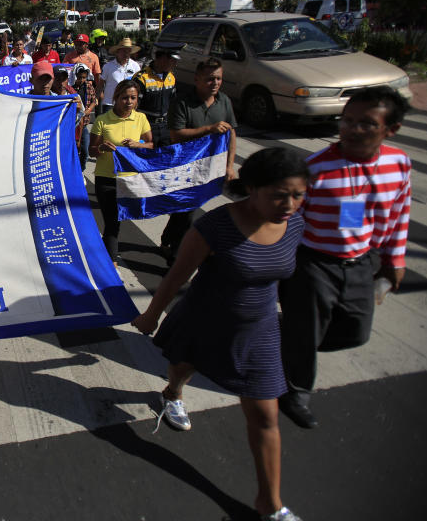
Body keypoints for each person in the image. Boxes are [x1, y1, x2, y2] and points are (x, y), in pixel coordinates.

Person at [131, 147, 310, 521]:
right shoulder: (214, 226)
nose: (289, 204)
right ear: (253, 188)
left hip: (258, 332)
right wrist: (150, 315)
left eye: (297, 194)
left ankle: (270, 503)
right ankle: (172, 394)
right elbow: (177, 277)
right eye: (279, 194)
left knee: (265, 416)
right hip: (204, 320)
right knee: (182, 367)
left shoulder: (295, 223)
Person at [278, 87, 411, 430]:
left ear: (390, 129)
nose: (352, 129)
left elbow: (400, 212)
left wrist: (394, 260)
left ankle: (286, 339)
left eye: (366, 124)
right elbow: (287, 219)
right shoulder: (315, 168)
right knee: (306, 332)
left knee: (355, 331)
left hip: (363, 260)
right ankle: (296, 392)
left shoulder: (398, 164)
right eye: (347, 120)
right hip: (312, 261)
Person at [160, 58, 238, 264]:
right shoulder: (182, 102)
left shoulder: (224, 101)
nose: (215, 83)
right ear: (197, 79)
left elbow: (231, 134)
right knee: (187, 213)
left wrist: (230, 166)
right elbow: (176, 135)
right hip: (184, 167)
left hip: (211, 168)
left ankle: (168, 237)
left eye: (219, 78)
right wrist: (208, 129)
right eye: (210, 79)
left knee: (185, 211)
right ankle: (177, 259)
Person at [88, 80, 153, 257]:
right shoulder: (102, 120)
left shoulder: (141, 119)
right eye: (125, 98)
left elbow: (151, 144)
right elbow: (91, 151)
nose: (129, 102)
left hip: (129, 179)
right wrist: (102, 148)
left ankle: (104, 248)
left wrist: (137, 145)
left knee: (118, 219)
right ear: (115, 98)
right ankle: (112, 262)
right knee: (112, 220)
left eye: (133, 98)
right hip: (106, 178)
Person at [134, 42, 183, 147]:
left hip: (165, 127)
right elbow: (133, 108)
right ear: (162, 58)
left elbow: (173, 104)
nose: (175, 64)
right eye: (173, 60)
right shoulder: (141, 78)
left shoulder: (171, 78)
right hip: (146, 127)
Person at [99, 38, 141, 114]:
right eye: (124, 51)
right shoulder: (108, 66)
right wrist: (96, 99)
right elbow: (100, 85)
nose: (126, 54)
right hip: (110, 104)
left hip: (128, 104)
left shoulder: (135, 66)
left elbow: (138, 87)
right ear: (117, 52)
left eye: (128, 51)